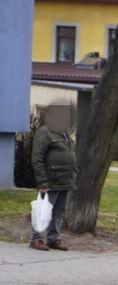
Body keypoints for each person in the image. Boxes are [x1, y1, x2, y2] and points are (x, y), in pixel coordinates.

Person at [30, 103, 77, 251]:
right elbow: (37, 158)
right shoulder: (44, 132)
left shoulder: (65, 133)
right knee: (43, 210)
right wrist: (42, 182)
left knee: (59, 211)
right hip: (51, 180)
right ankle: (36, 239)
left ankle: (53, 238)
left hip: (66, 180)